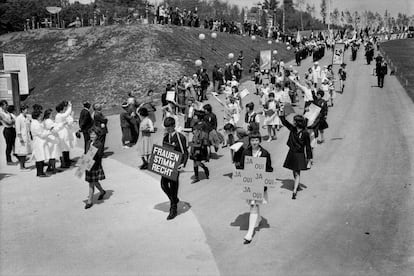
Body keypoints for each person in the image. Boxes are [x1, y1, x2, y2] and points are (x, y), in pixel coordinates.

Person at [237, 131, 273, 244]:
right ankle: (258, 218)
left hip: (260, 183)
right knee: (254, 204)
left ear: (259, 141)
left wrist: (265, 179)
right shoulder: (246, 152)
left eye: (256, 140)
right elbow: (241, 166)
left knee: (253, 205)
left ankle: (249, 233)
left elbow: (269, 169)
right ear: (250, 141)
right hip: (249, 183)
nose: (254, 142)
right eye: (252, 140)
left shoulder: (265, 153)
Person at [279, 111, 312, 200]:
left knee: (297, 172)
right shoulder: (293, 129)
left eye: (294, 121)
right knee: (294, 171)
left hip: (300, 154)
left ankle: (294, 191)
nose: (293, 122)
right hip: (292, 153)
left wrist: (309, 158)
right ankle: (296, 184)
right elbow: (285, 123)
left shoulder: (305, 133)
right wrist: (281, 114)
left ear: (298, 122)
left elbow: (308, 146)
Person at [161, 117, 188, 220]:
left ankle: (173, 209)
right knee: (163, 185)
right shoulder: (165, 137)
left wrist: (183, 164)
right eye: (166, 127)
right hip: (167, 164)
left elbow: (185, 152)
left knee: (173, 186)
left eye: (169, 127)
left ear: (173, 126)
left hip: (176, 165)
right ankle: (174, 199)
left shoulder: (180, 137)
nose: (167, 129)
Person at [84, 127, 107, 209]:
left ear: (97, 135)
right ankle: (102, 191)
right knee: (94, 181)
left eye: (94, 134)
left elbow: (99, 156)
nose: (92, 136)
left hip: (94, 165)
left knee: (91, 183)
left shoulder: (99, 144)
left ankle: (89, 201)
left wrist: (92, 156)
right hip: (88, 163)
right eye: (91, 134)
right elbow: (86, 153)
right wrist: (83, 163)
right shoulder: (88, 142)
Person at [31, 109, 53, 177]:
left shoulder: (36, 122)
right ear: (37, 116)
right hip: (39, 141)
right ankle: (40, 173)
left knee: (40, 157)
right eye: (40, 116)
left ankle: (40, 172)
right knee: (40, 157)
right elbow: (41, 134)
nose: (41, 117)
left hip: (40, 141)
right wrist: (49, 131)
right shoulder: (35, 124)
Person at [55, 101, 75, 168]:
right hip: (62, 133)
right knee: (64, 148)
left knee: (66, 147)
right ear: (61, 110)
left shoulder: (59, 115)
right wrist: (70, 106)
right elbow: (67, 113)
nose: (64, 110)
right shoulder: (59, 115)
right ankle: (65, 163)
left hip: (63, 132)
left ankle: (67, 161)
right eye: (63, 108)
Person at [43, 109, 62, 174]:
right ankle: (53, 168)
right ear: (49, 115)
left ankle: (49, 167)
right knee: (53, 154)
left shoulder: (47, 121)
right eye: (51, 114)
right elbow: (54, 130)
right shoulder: (48, 121)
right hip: (52, 139)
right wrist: (60, 126)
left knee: (51, 154)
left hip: (50, 138)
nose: (52, 115)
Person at [14, 105, 31, 171]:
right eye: (26, 109)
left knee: (24, 152)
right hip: (21, 137)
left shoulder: (26, 117)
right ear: (22, 110)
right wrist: (20, 138)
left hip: (26, 137)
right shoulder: (19, 118)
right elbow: (18, 129)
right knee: (22, 153)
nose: (27, 111)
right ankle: (22, 167)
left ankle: (23, 166)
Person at [0, 100, 16, 165]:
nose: (7, 106)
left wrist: (12, 121)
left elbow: (13, 120)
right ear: (2, 106)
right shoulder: (1, 113)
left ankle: (19, 156)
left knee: (14, 144)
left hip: (12, 129)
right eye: (5, 105)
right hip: (7, 129)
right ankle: (8, 160)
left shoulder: (8, 112)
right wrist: (12, 121)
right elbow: (8, 122)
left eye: (7, 105)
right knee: (9, 145)